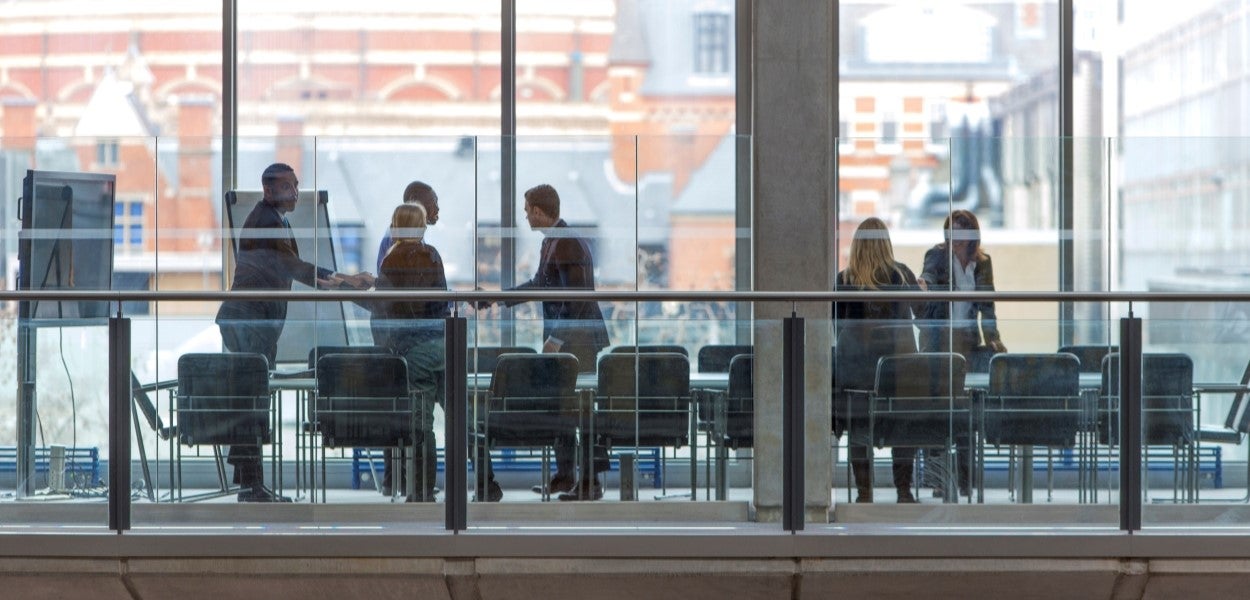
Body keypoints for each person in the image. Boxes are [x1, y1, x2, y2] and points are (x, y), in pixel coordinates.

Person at [215, 162, 373, 502]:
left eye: (297, 186)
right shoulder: (266, 222)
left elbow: (294, 269)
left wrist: (344, 282)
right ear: (269, 190)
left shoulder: (274, 219)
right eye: (289, 187)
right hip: (248, 321)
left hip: (253, 322)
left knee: (251, 397)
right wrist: (346, 281)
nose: (296, 193)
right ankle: (251, 486)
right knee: (252, 399)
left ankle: (249, 483)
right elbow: (298, 269)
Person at [476, 183, 611, 502]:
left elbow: (578, 300)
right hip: (569, 339)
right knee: (563, 408)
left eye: (527, 210)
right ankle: (566, 476)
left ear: (538, 210)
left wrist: (556, 338)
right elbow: (540, 284)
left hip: (577, 341)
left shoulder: (567, 244)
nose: (525, 216)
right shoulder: (554, 241)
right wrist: (498, 299)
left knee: (580, 409)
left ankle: (589, 482)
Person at [917, 209, 1006, 499]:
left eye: (960, 232)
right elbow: (928, 276)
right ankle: (938, 479)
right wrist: (924, 285)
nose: (954, 238)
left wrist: (993, 338)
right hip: (939, 343)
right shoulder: (938, 255)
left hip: (967, 342)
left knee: (965, 413)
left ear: (972, 236)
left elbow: (987, 305)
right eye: (950, 232)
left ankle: (966, 481)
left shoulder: (983, 263)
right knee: (939, 412)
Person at [833, 217, 923, 503]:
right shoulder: (902, 276)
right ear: (886, 243)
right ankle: (904, 491)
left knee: (859, 428)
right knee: (902, 429)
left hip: (858, 374)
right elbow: (923, 315)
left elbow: (838, 327)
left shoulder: (844, 280)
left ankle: (864, 493)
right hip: (900, 369)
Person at [371, 203, 449, 502]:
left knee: (420, 425)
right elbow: (439, 303)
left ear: (395, 225)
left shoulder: (392, 260)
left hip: (415, 350)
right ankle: (473, 485)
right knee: (456, 420)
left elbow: (388, 309)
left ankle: (421, 492)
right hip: (443, 346)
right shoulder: (433, 255)